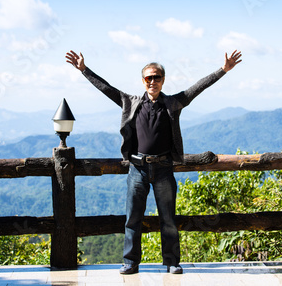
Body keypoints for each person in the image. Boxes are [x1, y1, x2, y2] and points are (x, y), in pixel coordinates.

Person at [65, 49, 242, 274]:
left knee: (168, 219)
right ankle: (130, 262)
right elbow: (106, 88)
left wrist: (223, 70)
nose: (152, 81)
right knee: (132, 219)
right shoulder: (130, 102)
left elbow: (198, 87)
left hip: (164, 168)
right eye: (148, 78)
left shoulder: (174, 103)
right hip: (137, 169)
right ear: (143, 81)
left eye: (156, 77)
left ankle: (171, 262)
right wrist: (84, 70)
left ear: (163, 80)